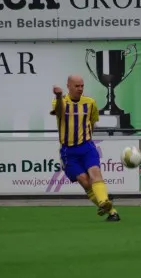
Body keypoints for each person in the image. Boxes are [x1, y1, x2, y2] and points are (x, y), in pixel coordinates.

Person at [51, 75, 120, 222]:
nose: (80, 89)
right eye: (77, 86)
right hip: (68, 152)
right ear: (68, 86)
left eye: (82, 86)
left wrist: (87, 138)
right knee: (85, 181)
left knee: (95, 173)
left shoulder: (90, 103)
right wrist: (58, 96)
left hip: (86, 146)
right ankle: (110, 210)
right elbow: (58, 112)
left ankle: (104, 203)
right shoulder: (60, 101)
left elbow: (92, 122)